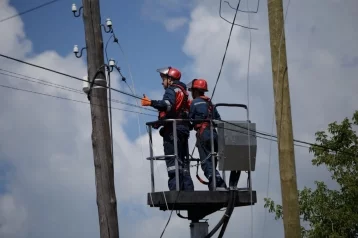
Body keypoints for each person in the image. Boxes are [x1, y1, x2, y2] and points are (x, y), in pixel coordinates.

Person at [141, 66, 194, 191]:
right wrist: (159, 122)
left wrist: (151, 103)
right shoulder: (184, 92)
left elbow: (167, 106)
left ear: (170, 79)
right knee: (183, 163)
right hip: (183, 130)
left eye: (163, 78)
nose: (162, 82)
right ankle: (188, 189)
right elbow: (183, 111)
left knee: (172, 163)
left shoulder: (171, 90)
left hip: (173, 131)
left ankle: (175, 190)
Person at [187, 78, 227, 191]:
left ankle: (215, 182)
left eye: (192, 91)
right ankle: (219, 183)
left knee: (206, 162)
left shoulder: (194, 103)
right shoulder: (210, 103)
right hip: (214, 135)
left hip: (203, 134)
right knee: (213, 160)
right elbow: (218, 120)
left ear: (195, 91)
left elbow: (190, 119)